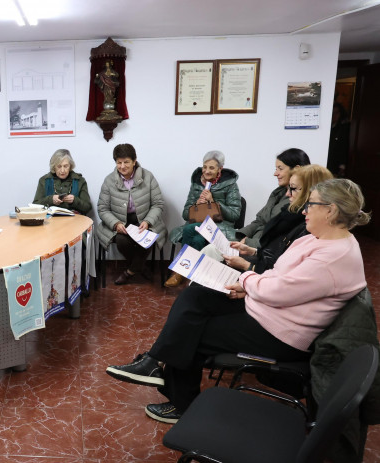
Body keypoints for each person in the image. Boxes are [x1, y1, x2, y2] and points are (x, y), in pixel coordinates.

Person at [105, 179, 370, 424]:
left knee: (193, 331)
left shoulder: (334, 256)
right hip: (270, 308)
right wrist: (251, 286)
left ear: (331, 211)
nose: (304, 210)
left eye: (311, 204)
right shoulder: (319, 239)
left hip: (281, 332)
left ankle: (180, 402)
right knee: (196, 295)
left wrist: (246, 282)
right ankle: (154, 362)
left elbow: (278, 289)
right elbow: (281, 277)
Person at [224, 164, 333, 273]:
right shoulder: (289, 214)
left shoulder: (306, 226)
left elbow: (283, 271)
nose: (287, 193)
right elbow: (277, 255)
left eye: (293, 188)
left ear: (309, 192)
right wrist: (253, 251)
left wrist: (246, 265)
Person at [165, 150, 240, 287]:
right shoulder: (196, 184)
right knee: (197, 238)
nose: (206, 171)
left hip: (219, 226)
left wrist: (214, 202)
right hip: (198, 225)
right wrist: (196, 206)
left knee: (189, 229)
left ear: (220, 169)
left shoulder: (230, 185)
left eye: (211, 168)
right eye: (205, 167)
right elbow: (185, 214)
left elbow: (235, 214)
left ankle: (181, 271)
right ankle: (195, 277)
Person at [96, 143, 166, 285]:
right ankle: (141, 267)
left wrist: (148, 221)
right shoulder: (109, 180)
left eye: (126, 162)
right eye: (119, 162)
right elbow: (102, 208)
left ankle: (130, 271)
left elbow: (158, 203)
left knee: (149, 239)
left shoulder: (148, 176)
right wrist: (116, 223)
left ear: (134, 161)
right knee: (122, 241)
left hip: (144, 220)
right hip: (120, 220)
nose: (122, 166)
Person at [236, 148, 311, 247]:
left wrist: (247, 243)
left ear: (297, 169)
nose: (275, 173)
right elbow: (260, 220)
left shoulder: (302, 202)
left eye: (280, 168)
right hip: (254, 244)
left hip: (263, 250)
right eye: (276, 169)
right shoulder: (278, 192)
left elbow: (278, 241)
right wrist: (239, 235)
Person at [33, 149, 92, 215]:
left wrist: (74, 200)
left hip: (74, 221)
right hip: (50, 221)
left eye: (66, 166)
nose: (62, 170)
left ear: (70, 166)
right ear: (54, 167)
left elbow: (87, 208)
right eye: (59, 166)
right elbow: (35, 206)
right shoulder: (44, 180)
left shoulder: (80, 180)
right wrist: (51, 199)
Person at [326, 102, 351, 178]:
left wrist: (342, 166)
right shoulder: (327, 128)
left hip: (336, 164)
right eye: (332, 112)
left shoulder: (344, 129)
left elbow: (343, 147)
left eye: (336, 113)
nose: (334, 115)